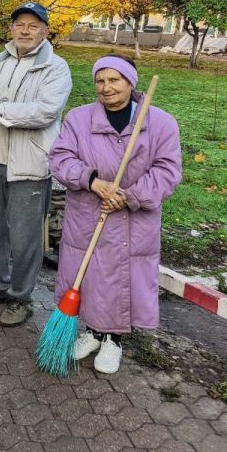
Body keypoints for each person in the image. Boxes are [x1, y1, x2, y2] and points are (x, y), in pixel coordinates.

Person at [49, 56, 180, 374]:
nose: (106, 88)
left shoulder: (160, 122)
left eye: (114, 80)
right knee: (90, 274)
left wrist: (129, 196)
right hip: (89, 213)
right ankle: (94, 333)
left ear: (131, 82)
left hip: (133, 219)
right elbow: (60, 157)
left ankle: (114, 341)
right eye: (100, 81)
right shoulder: (79, 119)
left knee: (122, 279)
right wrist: (93, 182)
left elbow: (168, 171)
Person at [0, 2, 73, 327]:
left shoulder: (55, 68)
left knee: (25, 236)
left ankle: (21, 296)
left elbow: (43, 111)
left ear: (45, 31)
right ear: (11, 28)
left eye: (33, 26)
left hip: (29, 165)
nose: (26, 31)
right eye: (20, 25)